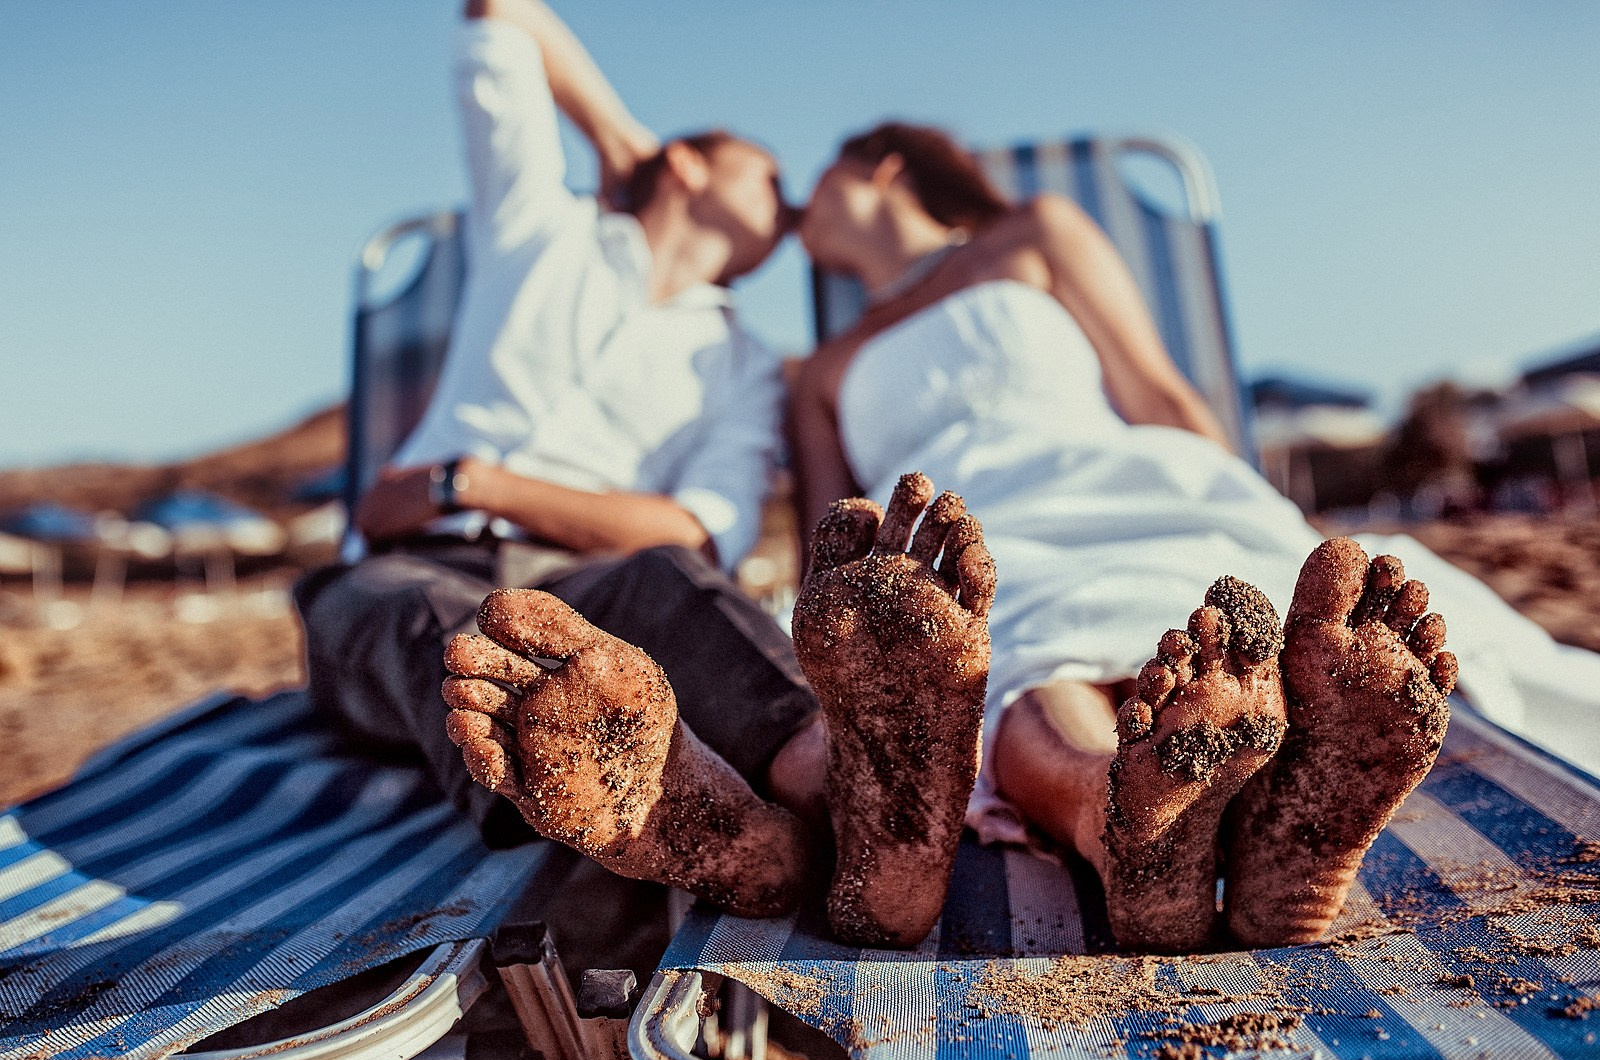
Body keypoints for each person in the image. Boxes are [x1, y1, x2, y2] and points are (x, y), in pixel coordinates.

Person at [437, 120, 1600, 954]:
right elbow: (845, 562)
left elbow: (1159, 395)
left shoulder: (1035, 232)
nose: (793, 213)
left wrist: (1261, 513)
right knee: (999, 657)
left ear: (879, 167)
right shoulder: (817, 373)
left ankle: (1262, 803)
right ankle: (1135, 818)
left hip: (1143, 478)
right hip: (974, 535)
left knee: (1177, 638)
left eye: (811, 183)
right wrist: (840, 667)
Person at [296, 0, 817, 858]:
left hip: (584, 588)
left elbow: (698, 528)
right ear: (686, 165)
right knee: (448, 624)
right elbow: (496, 10)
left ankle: (836, 787)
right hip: (418, 565)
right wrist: (619, 137)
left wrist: (474, 482)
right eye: (771, 180)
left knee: (675, 584)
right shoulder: (538, 227)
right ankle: (666, 830)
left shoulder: (745, 361)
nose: (792, 212)